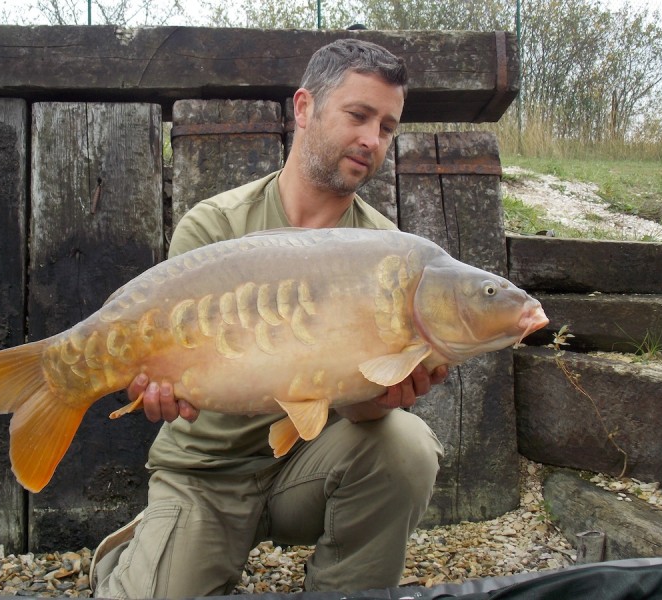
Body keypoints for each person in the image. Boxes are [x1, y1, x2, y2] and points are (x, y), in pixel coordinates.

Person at [92, 38, 447, 599]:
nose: (370, 140)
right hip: (207, 472)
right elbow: (163, 366)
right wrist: (151, 388)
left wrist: (383, 394)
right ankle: (140, 555)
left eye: (387, 127)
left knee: (405, 444)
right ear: (303, 108)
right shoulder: (214, 227)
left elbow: (356, 408)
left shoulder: (388, 252)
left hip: (308, 465)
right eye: (358, 115)